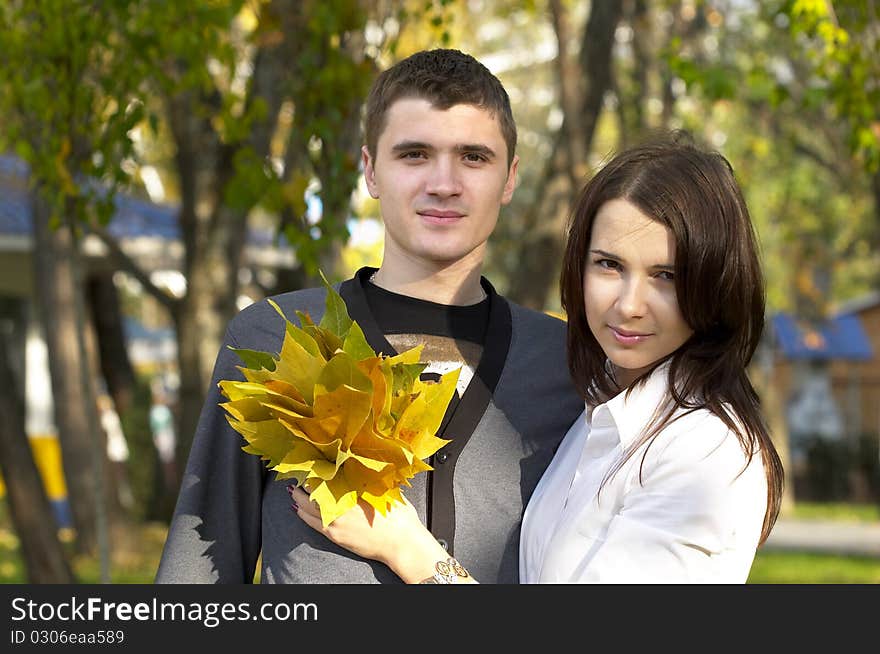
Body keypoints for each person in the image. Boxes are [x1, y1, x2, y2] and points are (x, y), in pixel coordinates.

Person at [155, 48, 585, 583]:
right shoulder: (278, 335)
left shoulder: (566, 364)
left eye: (474, 157)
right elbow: (199, 569)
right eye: (414, 154)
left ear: (510, 177)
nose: (444, 183)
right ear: (370, 170)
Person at [290, 132, 784, 584]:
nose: (629, 305)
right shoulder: (597, 416)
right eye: (609, 265)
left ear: (715, 284)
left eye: (666, 276)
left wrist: (409, 549)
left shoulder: (705, 452)